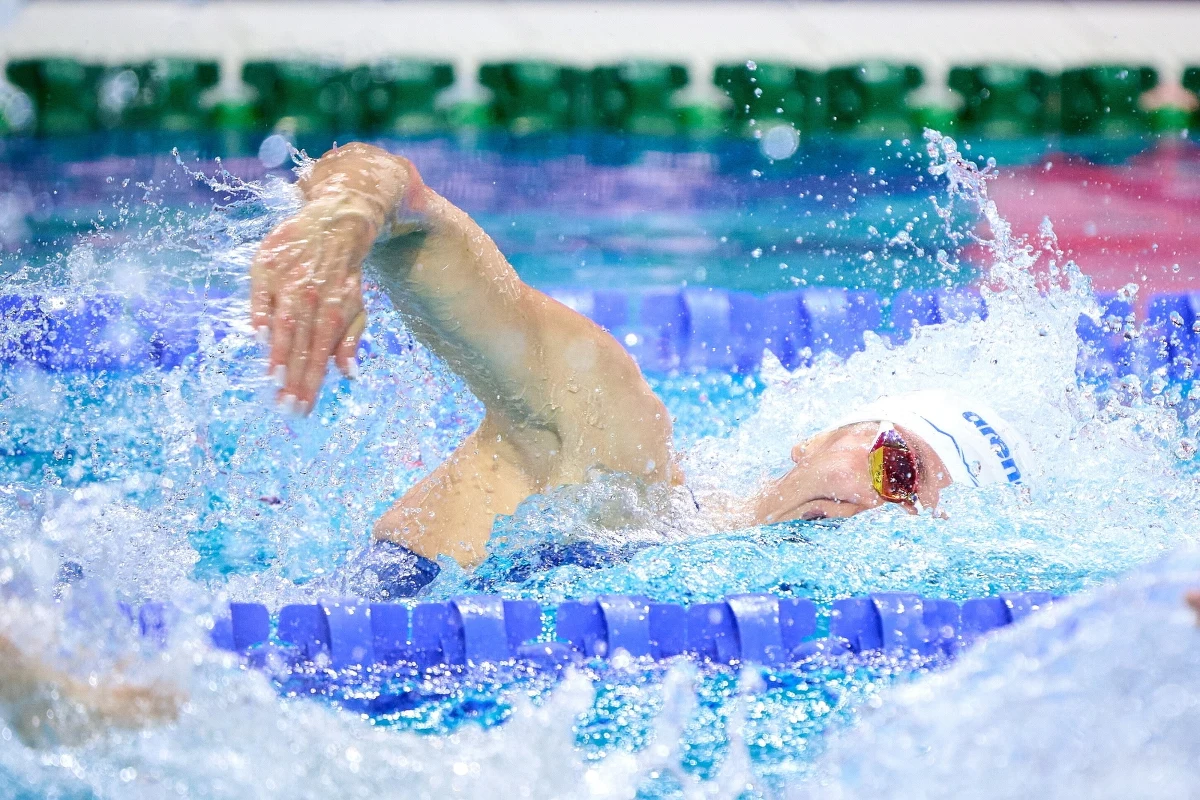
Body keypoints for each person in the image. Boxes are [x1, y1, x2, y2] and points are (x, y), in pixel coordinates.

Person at [250, 143, 1033, 594]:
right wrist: (345, 220)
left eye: (922, 515)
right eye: (898, 466)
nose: (887, 512)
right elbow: (397, 189)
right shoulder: (615, 455)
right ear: (816, 438)